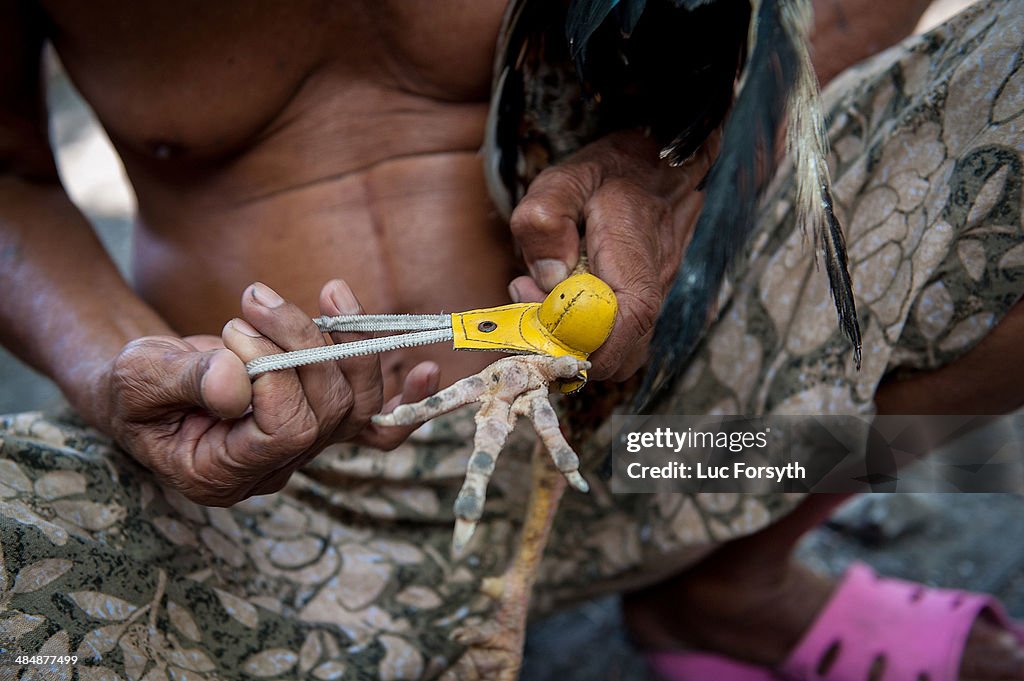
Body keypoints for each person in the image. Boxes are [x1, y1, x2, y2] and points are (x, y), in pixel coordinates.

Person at [0, 0, 1021, 679]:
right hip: (266, 515)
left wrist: (670, 170)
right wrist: (112, 377)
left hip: (673, 445)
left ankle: (728, 583)